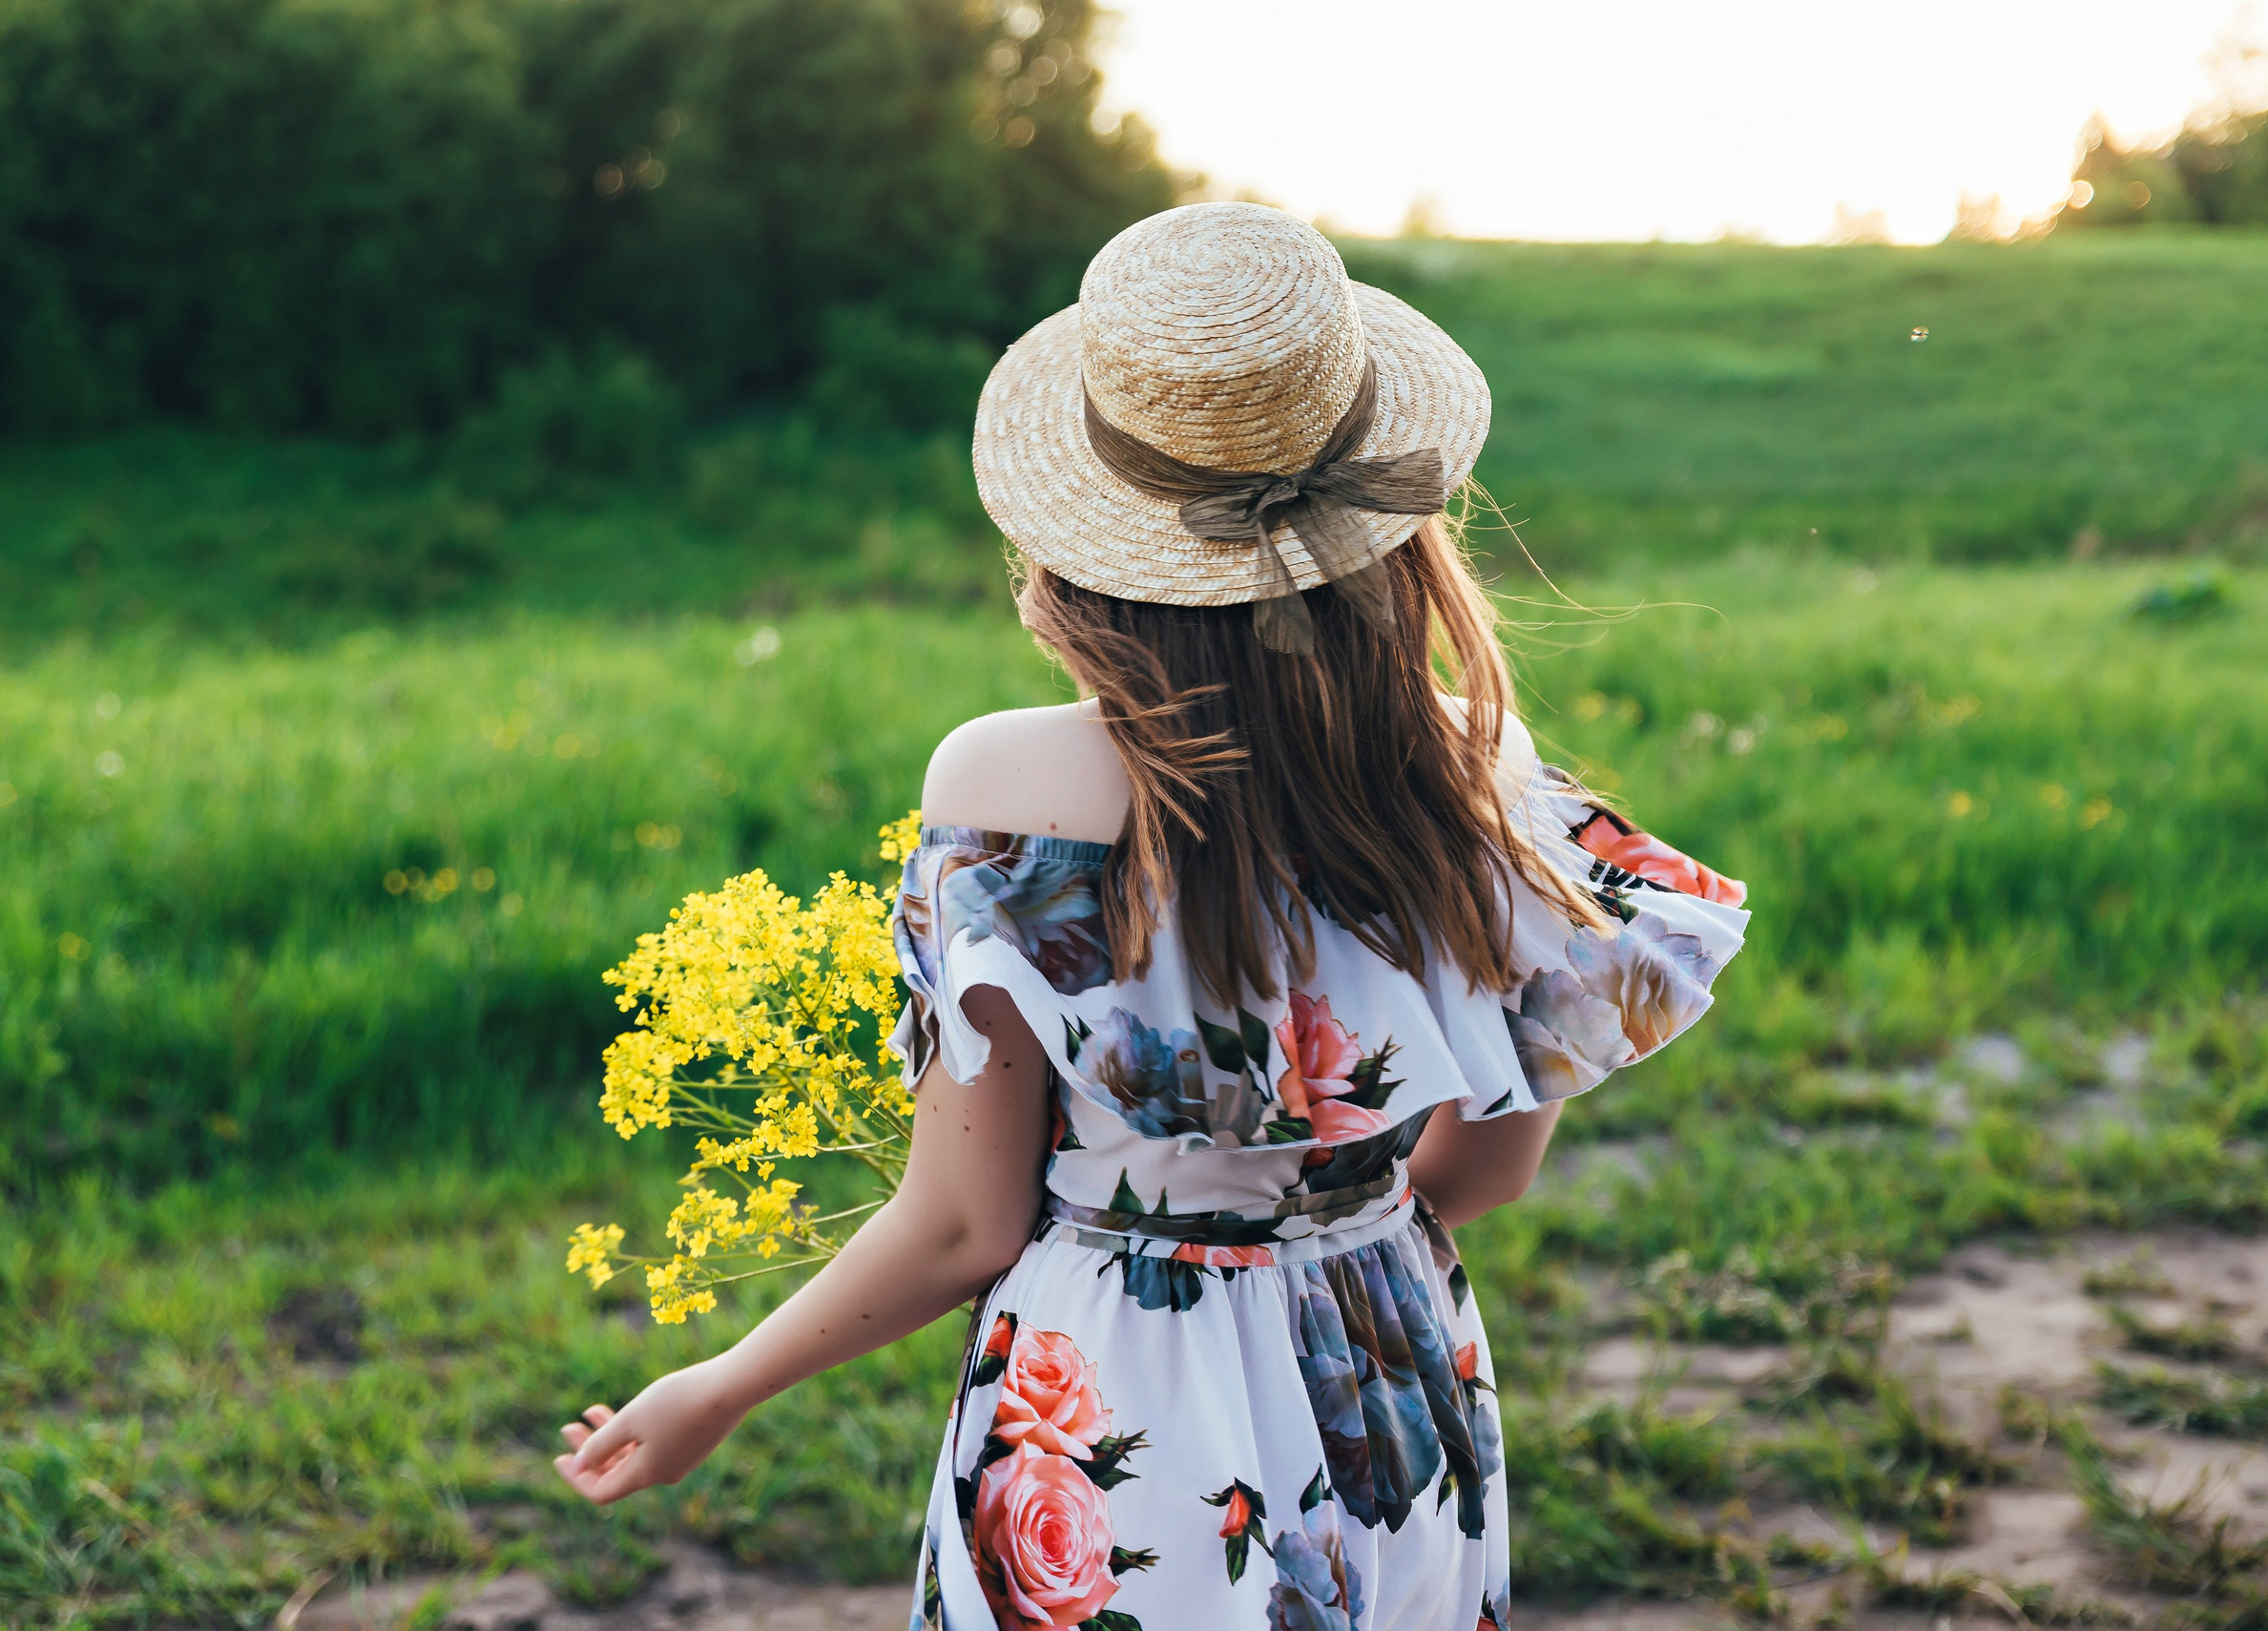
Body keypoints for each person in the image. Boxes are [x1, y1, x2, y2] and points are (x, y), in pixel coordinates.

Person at [552, 202, 1750, 1631]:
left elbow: (961, 1223)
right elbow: (1483, 1171)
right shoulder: (1472, 762)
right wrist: (1308, 1221)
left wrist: (720, 1384)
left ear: (1085, 539)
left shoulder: (1005, 786)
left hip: (1114, 1401)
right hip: (1394, 1383)